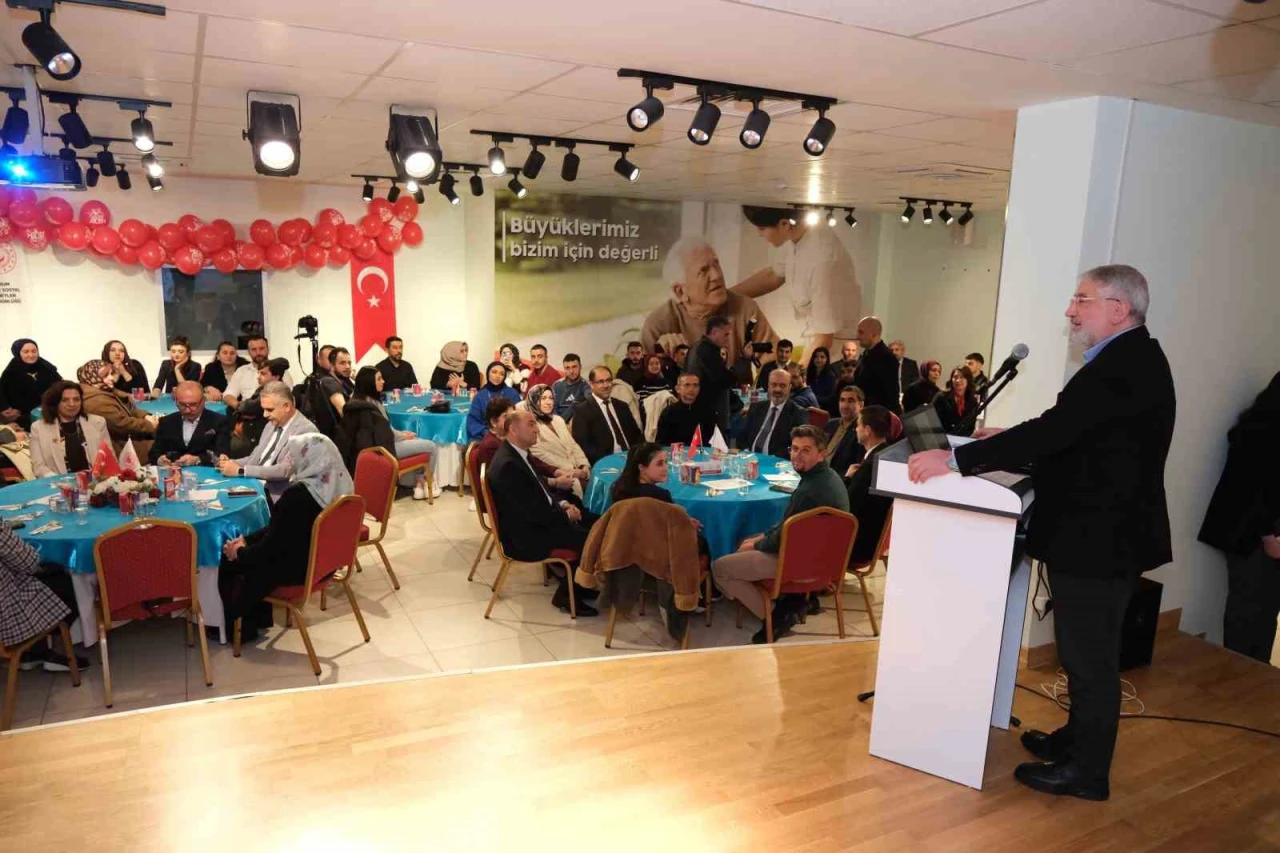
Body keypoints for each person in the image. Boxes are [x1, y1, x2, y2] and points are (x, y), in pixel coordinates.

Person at [908, 264, 1175, 802]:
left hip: (1099, 540)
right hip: (1100, 534)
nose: (1070, 311)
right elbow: (1082, 436)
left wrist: (958, 460)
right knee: (1082, 654)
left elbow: (1059, 431)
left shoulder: (1120, 367)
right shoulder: (1129, 359)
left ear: (1119, 309)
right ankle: (1075, 742)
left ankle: (1087, 773)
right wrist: (1008, 437)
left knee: (1089, 659)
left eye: (1082, 300)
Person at [712, 425, 849, 642]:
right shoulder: (828, 477)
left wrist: (756, 544)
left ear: (821, 453)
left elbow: (784, 537)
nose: (797, 455)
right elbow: (789, 525)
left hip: (800, 563)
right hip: (825, 559)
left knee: (720, 568)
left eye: (805, 450)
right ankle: (792, 600)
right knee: (747, 539)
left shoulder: (810, 490)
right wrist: (760, 539)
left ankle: (776, 615)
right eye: (794, 449)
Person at [218, 433, 353, 643]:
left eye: (294, 457)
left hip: (298, 567)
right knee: (248, 551)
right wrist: (246, 540)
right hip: (324, 563)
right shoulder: (342, 489)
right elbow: (281, 530)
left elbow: (272, 549)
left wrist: (240, 552)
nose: (291, 462)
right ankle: (258, 620)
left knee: (228, 560)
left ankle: (237, 629)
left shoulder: (296, 497)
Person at [1198, 371, 1280, 663]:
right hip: (1251, 533)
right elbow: (1256, 487)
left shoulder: (1259, 426)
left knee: (1264, 607)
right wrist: (1269, 535)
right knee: (1249, 607)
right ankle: (1241, 670)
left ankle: (1255, 671)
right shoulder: (1262, 433)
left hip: (1258, 532)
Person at [486, 410, 599, 616]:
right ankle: (566, 595)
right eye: (531, 424)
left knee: (590, 518)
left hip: (536, 522)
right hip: (526, 537)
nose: (537, 429)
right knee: (591, 538)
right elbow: (530, 513)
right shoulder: (509, 465)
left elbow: (540, 491)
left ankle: (577, 585)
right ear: (513, 430)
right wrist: (566, 516)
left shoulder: (518, 454)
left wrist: (563, 504)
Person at [736, 205, 862, 368]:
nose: (759, 234)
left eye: (762, 228)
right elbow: (773, 275)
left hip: (834, 359)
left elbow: (824, 339)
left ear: (784, 224)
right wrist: (727, 295)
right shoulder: (794, 239)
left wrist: (794, 375)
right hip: (815, 343)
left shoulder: (823, 260)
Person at [640, 236, 778, 364]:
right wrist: (661, 355)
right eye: (703, 271)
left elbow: (774, 359)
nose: (717, 275)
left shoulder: (745, 310)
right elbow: (638, 374)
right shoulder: (659, 324)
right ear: (680, 291)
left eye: (716, 264)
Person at [337, 366, 438, 498]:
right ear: (369, 382)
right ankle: (423, 482)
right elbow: (386, 434)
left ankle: (418, 485)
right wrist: (404, 436)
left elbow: (385, 429)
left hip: (374, 448)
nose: (383, 381)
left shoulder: (355, 401)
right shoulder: (371, 406)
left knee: (416, 439)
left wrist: (403, 434)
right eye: (379, 379)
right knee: (431, 446)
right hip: (385, 449)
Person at [0, 522, 84, 672]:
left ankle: (32, 652)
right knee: (65, 580)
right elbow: (29, 562)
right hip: (7, 615)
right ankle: (57, 651)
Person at [217, 382, 318, 502]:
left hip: (280, 496)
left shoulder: (306, 430)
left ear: (286, 406)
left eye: (269, 410)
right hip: (255, 484)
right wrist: (231, 463)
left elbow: (285, 470)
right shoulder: (271, 425)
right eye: (263, 409)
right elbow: (255, 458)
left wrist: (241, 471)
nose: (265, 415)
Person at [76, 359, 158, 459]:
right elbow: (123, 425)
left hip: (130, 440)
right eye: (106, 375)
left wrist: (145, 416)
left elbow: (129, 408)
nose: (112, 378)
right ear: (93, 378)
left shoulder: (105, 391)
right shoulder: (96, 401)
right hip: (123, 450)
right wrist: (150, 425)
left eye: (111, 373)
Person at [844, 405, 895, 564]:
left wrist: (847, 479)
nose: (856, 429)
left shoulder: (868, 468)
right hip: (876, 540)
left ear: (867, 430)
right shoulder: (889, 454)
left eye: (858, 425)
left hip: (857, 546)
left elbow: (845, 506)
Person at [29, 380, 110, 477]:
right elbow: (38, 467)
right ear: (55, 402)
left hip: (97, 481)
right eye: (65, 400)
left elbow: (108, 458)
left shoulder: (98, 422)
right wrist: (61, 481)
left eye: (76, 399)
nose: (72, 404)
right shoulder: (38, 428)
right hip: (58, 483)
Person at [570, 365, 644, 465]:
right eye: (600, 382)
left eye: (608, 380)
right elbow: (584, 446)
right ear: (591, 384)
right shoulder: (582, 411)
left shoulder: (622, 405)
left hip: (632, 458)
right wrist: (608, 461)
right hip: (606, 461)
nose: (606, 385)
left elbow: (637, 436)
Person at [686, 315, 747, 436]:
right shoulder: (707, 350)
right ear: (714, 332)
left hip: (696, 407)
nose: (727, 339)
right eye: (726, 335)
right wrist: (743, 360)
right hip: (707, 411)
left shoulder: (695, 347)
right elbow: (723, 380)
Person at [526, 384, 590, 499]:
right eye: (543, 398)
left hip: (579, 471)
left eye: (551, 398)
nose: (548, 402)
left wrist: (583, 465)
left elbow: (573, 446)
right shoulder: (531, 426)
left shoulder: (558, 420)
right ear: (534, 400)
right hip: (559, 478)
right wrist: (573, 470)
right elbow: (542, 456)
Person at [149, 381, 227, 466]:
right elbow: (153, 453)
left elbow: (223, 454)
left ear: (203, 401)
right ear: (176, 401)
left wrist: (198, 459)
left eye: (193, 405)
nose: (187, 410)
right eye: (182, 405)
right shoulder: (166, 422)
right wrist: (159, 459)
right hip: (172, 471)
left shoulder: (219, 421)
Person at [741, 368, 806, 457]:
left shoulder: (798, 413)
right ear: (768, 386)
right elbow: (742, 436)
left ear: (789, 387)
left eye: (782, 386)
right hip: (749, 458)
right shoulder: (756, 407)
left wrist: (773, 459)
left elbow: (797, 446)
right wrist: (746, 452)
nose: (777, 389)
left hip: (776, 461)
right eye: (774, 385)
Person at [1, 339, 60, 430]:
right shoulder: (10, 372)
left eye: (34, 351)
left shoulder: (47, 367)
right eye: (26, 352)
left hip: (50, 410)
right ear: (18, 353)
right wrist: (5, 408)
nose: (31, 355)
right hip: (24, 415)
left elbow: (60, 385)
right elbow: (1, 394)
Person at [222, 336, 294, 411]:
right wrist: (239, 406)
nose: (258, 353)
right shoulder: (241, 371)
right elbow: (228, 394)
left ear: (268, 349)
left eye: (261, 348)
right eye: (254, 349)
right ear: (248, 352)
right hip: (246, 412)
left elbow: (290, 396)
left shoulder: (280, 370)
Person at [852, 317, 901, 414]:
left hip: (877, 415)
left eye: (861, 332)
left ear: (873, 334)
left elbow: (887, 394)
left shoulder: (886, 357)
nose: (857, 336)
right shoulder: (867, 353)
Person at [656, 373, 717, 446]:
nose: (692, 389)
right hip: (675, 452)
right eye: (687, 385)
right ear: (677, 389)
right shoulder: (669, 412)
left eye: (695, 385)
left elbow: (714, 440)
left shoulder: (708, 411)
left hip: (702, 451)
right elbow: (661, 442)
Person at [466, 362, 521, 442]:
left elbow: (518, 418)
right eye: (494, 372)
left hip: (509, 437)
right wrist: (488, 433)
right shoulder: (480, 395)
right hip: (485, 437)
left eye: (501, 374)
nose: (497, 376)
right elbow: (473, 421)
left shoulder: (513, 394)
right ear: (488, 373)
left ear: (504, 377)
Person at [824, 384, 866, 478]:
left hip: (836, 478)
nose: (845, 406)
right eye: (842, 400)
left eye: (850, 401)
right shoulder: (830, 424)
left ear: (861, 405)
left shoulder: (862, 432)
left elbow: (856, 468)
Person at [933, 365, 978, 437]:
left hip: (963, 439)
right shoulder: (941, 397)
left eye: (962, 377)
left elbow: (971, 427)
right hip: (943, 438)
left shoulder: (972, 401)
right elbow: (933, 422)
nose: (958, 380)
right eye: (955, 377)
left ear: (968, 380)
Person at [320, 346, 355, 419]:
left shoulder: (346, 382)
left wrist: (359, 380)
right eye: (342, 363)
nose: (348, 366)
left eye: (349, 363)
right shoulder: (329, 382)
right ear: (332, 366)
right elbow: (345, 414)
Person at [552, 353, 589, 419]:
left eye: (574, 367)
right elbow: (552, 409)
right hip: (558, 421)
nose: (571, 371)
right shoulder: (557, 385)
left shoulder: (586, 385)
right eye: (567, 368)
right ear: (564, 369)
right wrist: (559, 423)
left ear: (580, 367)